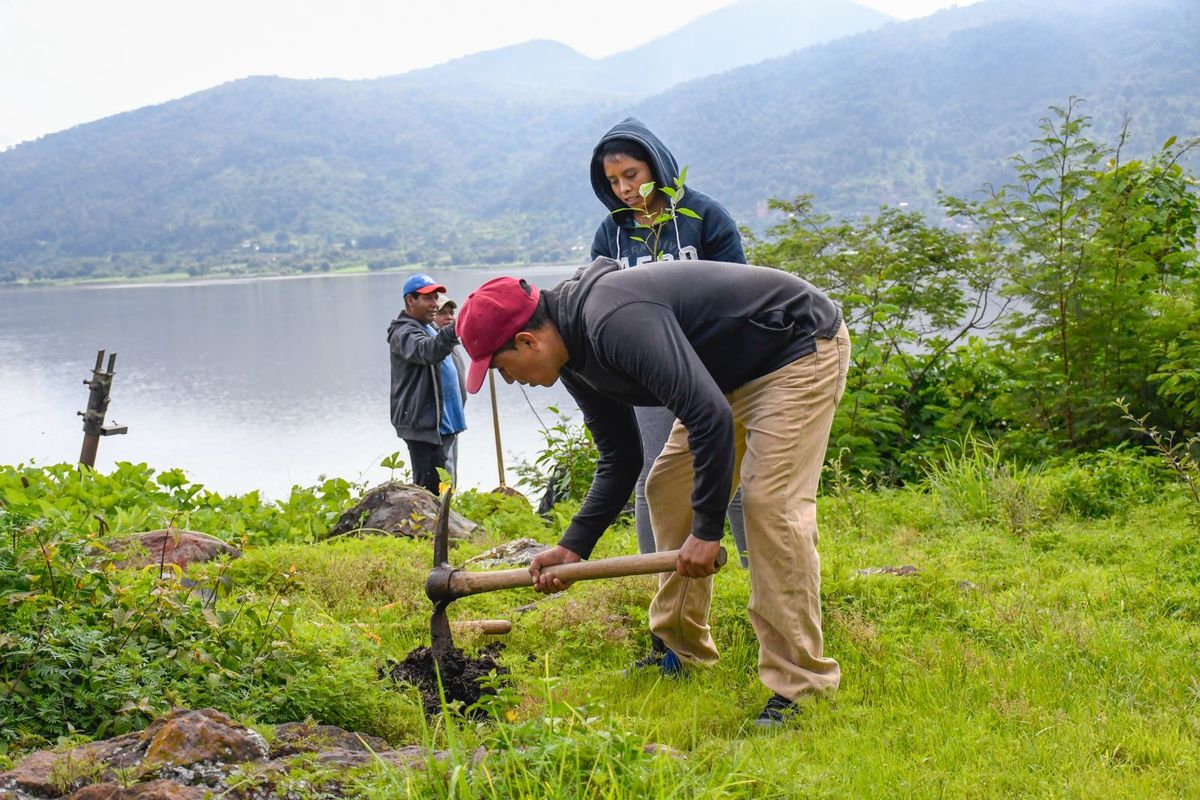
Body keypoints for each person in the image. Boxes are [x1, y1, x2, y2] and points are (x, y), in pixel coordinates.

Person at [456, 258, 850, 727]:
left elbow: (709, 419)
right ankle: (681, 651)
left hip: (796, 348)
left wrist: (706, 531)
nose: (508, 379)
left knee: (770, 504)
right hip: (730, 374)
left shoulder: (612, 321)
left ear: (527, 340)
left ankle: (802, 687)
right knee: (668, 487)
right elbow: (621, 458)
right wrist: (573, 547)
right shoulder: (574, 355)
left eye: (500, 367)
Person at [589, 117, 751, 670]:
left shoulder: (703, 216)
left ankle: (764, 594)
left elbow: (738, 290)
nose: (624, 189)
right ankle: (666, 620)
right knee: (654, 484)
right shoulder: (612, 233)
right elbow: (600, 300)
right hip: (650, 381)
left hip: (716, 369)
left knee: (734, 482)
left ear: (656, 166)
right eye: (613, 182)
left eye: (631, 174)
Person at [387, 273, 460, 495]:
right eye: (429, 298)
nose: (435, 304)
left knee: (444, 481)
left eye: (436, 298)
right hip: (420, 422)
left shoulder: (428, 327)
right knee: (429, 487)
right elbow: (427, 351)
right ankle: (427, 528)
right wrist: (454, 330)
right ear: (410, 300)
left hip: (440, 421)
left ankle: (442, 523)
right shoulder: (404, 333)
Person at [433, 296, 468, 483]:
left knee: (452, 467)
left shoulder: (452, 347)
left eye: (451, 313)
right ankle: (443, 508)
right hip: (440, 422)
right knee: (443, 470)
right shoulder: (431, 346)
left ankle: (451, 506)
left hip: (454, 418)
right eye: (442, 313)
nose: (449, 318)